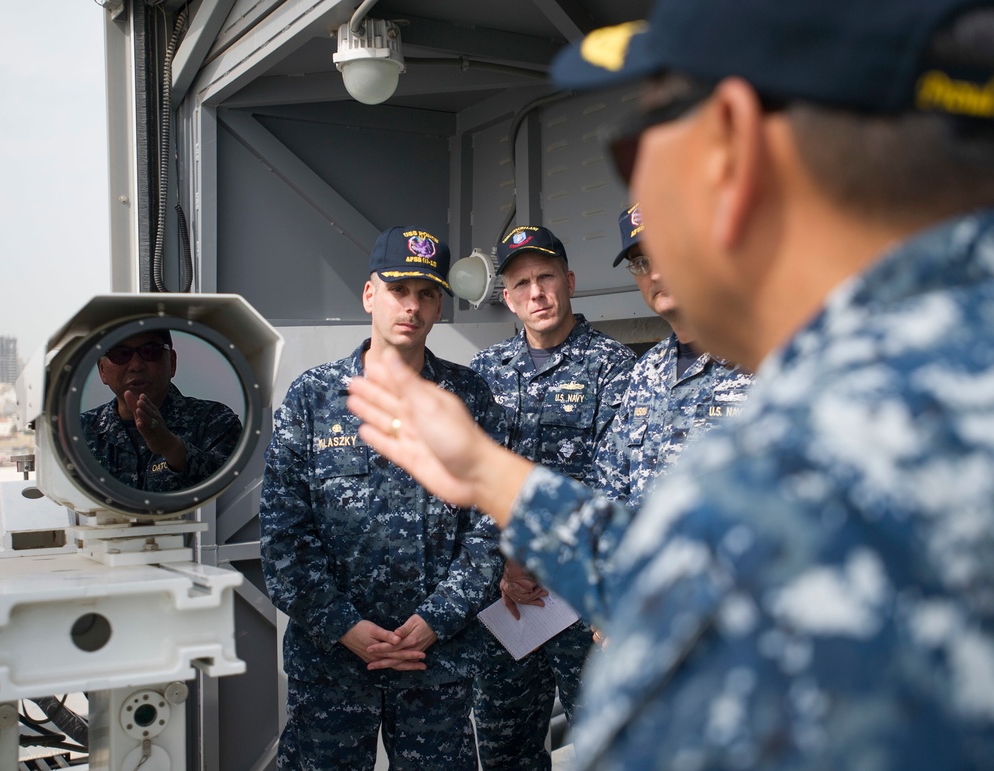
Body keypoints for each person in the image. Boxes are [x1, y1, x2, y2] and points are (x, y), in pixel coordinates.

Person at [345, 1, 994, 768]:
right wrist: (492, 477)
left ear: (729, 152)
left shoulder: (817, 454)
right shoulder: (920, 367)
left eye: (632, 152)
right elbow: (692, 570)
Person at [258, 226, 506, 770]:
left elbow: (492, 530)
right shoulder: (313, 397)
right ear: (370, 294)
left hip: (434, 662)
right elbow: (282, 538)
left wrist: (436, 619)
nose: (411, 307)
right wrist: (345, 627)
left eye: (427, 293)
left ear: (440, 304)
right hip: (331, 664)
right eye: (399, 290)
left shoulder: (470, 399)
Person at [469, 224, 635, 769]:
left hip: (584, 597)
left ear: (569, 281)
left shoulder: (616, 369)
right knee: (503, 748)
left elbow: (616, 484)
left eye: (546, 278)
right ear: (508, 299)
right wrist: (506, 561)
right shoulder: (485, 373)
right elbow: (472, 478)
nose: (536, 293)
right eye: (521, 284)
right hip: (507, 597)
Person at [589, 203, 752, 511]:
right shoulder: (646, 372)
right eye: (641, 263)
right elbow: (610, 486)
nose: (657, 274)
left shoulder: (760, 359)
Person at [81, 329, 242, 491]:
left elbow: (228, 488)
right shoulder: (80, 430)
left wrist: (171, 447)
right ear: (102, 370)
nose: (136, 366)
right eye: (121, 354)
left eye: (150, 352)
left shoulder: (215, 421)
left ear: (172, 362)